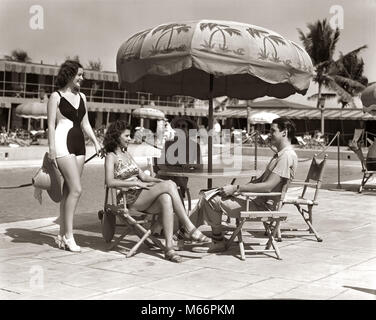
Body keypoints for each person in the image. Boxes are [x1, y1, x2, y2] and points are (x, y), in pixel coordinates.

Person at [103, 120, 210, 263]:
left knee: (166, 197)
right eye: (127, 136)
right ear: (117, 136)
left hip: (141, 194)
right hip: (128, 197)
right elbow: (109, 182)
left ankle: (169, 249)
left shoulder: (127, 155)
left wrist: (158, 182)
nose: (130, 139)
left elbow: (143, 176)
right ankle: (189, 227)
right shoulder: (111, 157)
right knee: (170, 185)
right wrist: (134, 183)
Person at [189, 117, 298, 253]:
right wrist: (236, 191)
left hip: (262, 207)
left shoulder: (286, 156)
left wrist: (237, 188)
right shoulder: (280, 155)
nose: (270, 134)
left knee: (211, 200)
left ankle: (213, 239)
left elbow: (268, 186)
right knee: (208, 193)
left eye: (273, 130)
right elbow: (261, 182)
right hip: (256, 200)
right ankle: (186, 230)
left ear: (284, 132)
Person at [47, 60, 102, 252]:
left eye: (83, 75)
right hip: (62, 145)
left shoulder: (83, 97)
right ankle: (70, 236)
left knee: (68, 191)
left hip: (80, 147)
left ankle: (61, 236)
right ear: (70, 75)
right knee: (77, 190)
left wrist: (96, 142)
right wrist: (51, 149)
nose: (82, 78)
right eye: (79, 75)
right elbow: (51, 125)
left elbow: (86, 124)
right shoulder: (56, 96)